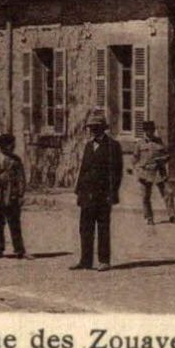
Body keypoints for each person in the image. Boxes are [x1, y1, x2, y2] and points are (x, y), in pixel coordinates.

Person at [71, 108, 124, 271]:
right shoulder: (88, 146)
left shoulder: (112, 146)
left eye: (95, 127)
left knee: (103, 227)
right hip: (87, 194)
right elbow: (83, 169)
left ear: (103, 128)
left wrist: (112, 193)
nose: (92, 130)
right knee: (85, 228)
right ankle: (85, 260)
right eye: (90, 127)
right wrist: (78, 190)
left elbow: (116, 172)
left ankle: (104, 260)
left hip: (103, 194)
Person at [0, 132, 27, 258]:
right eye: (9, 145)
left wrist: (20, 195)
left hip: (11, 196)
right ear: (2, 146)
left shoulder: (16, 160)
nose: (12, 147)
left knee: (14, 223)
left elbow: (21, 179)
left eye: (12, 145)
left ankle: (19, 249)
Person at [132, 120, 175, 225]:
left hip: (159, 172)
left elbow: (168, 155)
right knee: (145, 196)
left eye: (152, 130)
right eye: (147, 130)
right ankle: (149, 217)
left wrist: (163, 160)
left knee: (168, 193)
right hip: (145, 172)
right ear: (144, 131)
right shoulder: (139, 144)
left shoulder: (159, 142)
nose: (150, 132)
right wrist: (138, 169)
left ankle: (172, 215)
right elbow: (134, 159)